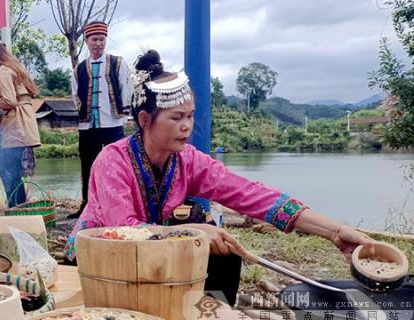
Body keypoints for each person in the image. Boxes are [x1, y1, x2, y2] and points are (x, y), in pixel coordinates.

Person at [63, 51, 376, 305]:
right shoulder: (112, 161)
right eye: (176, 117)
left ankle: (209, 312)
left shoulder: (189, 160)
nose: (187, 126)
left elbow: (252, 195)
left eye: (190, 116)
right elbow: (123, 230)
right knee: (201, 236)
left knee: (222, 251)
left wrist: (335, 231)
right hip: (104, 259)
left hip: (152, 251)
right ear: (145, 120)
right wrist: (187, 231)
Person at [70, 21, 132, 219]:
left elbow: (126, 89)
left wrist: (123, 115)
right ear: (87, 41)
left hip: (113, 124)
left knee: (117, 165)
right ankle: (87, 205)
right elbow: (74, 96)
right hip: (88, 125)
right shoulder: (79, 68)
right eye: (94, 39)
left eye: (102, 39)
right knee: (87, 165)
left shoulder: (118, 63)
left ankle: (119, 204)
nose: (98, 43)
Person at [0, 41, 41, 207]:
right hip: (23, 124)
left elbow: (9, 101)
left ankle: (16, 208)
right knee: (12, 171)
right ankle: (18, 207)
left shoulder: (3, 71)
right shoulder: (16, 68)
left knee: (8, 172)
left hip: (16, 125)